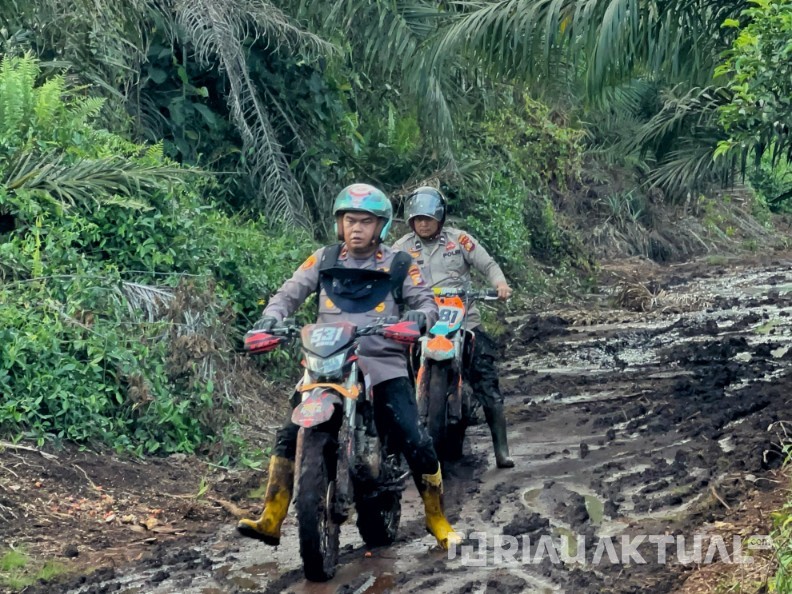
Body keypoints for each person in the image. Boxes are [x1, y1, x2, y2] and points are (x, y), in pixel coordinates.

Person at [236, 183, 462, 550]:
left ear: (382, 227)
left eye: (365, 222)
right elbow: (290, 291)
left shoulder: (400, 263)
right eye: (349, 220)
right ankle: (272, 517)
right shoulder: (323, 259)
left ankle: (438, 520)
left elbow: (425, 301)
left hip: (382, 361)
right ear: (339, 224)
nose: (356, 228)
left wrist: (418, 319)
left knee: (415, 439)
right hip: (325, 362)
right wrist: (270, 318)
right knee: (287, 434)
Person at [392, 186, 515, 469]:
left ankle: (502, 449)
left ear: (441, 218)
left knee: (486, 377)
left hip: (464, 319)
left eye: (429, 218)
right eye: (418, 218)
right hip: (421, 321)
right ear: (411, 220)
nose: (423, 223)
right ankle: (393, 450)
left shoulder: (459, 241)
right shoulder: (400, 248)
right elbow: (385, 276)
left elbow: (489, 264)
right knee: (391, 375)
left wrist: (500, 284)